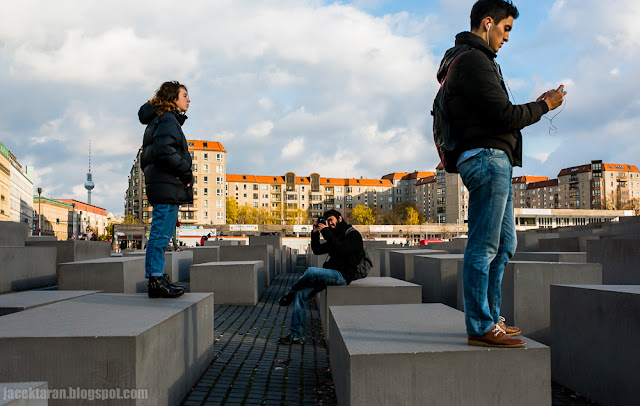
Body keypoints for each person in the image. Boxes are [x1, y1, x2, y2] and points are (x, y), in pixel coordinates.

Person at [439, 0, 566, 347]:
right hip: (487, 158)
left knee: (506, 243)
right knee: (484, 246)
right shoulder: (474, 61)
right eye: (506, 29)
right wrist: (544, 106)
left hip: (494, 159)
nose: (507, 37)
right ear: (488, 22)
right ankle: (480, 326)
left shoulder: (471, 61)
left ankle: (490, 317)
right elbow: (505, 116)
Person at [139, 81, 193, 299]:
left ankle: (157, 277)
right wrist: (186, 170)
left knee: (162, 235)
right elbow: (164, 151)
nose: (188, 100)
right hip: (166, 186)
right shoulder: (168, 119)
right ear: (173, 99)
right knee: (160, 235)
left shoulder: (159, 119)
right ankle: (155, 280)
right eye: (184, 95)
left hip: (165, 185)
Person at [278, 209, 364, 345]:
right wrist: (315, 232)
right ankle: (296, 335)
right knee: (301, 295)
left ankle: (290, 292)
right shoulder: (335, 235)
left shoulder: (352, 234)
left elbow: (342, 249)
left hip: (342, 276)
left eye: (331, 220)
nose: (329, 223)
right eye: (327, 221)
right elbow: (317, 250)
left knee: (311, 271)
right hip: (329, 274)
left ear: (339, 218)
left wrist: (326, 232)